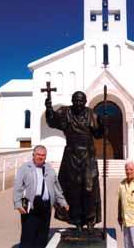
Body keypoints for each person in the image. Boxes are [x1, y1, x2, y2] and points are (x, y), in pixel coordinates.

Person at [45, 91, 103, 232]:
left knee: (89, 189)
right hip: (71, 156)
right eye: (76, 100)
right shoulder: (66, 112)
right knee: (73, 189)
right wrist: (49, 109)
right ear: (72, 101)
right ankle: (76, 221)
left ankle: (90, 220)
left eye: (81, 101)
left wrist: (103, 124)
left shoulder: (91, 114)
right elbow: (52, 122)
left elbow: (98, 134)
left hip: (88, 156)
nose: (78, 103)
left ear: (85, 102)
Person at [13, 145, 69, 248]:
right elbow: (18, 187)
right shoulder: (25, 168)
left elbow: (56, 187)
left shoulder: (49, 168)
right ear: (33, 155)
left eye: (43, 155)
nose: (41, 157)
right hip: (31, 207)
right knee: (28, 236)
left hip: (46, 207)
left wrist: (63, 202)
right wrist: (18, 204)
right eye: (38, 154)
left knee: (42, 236)